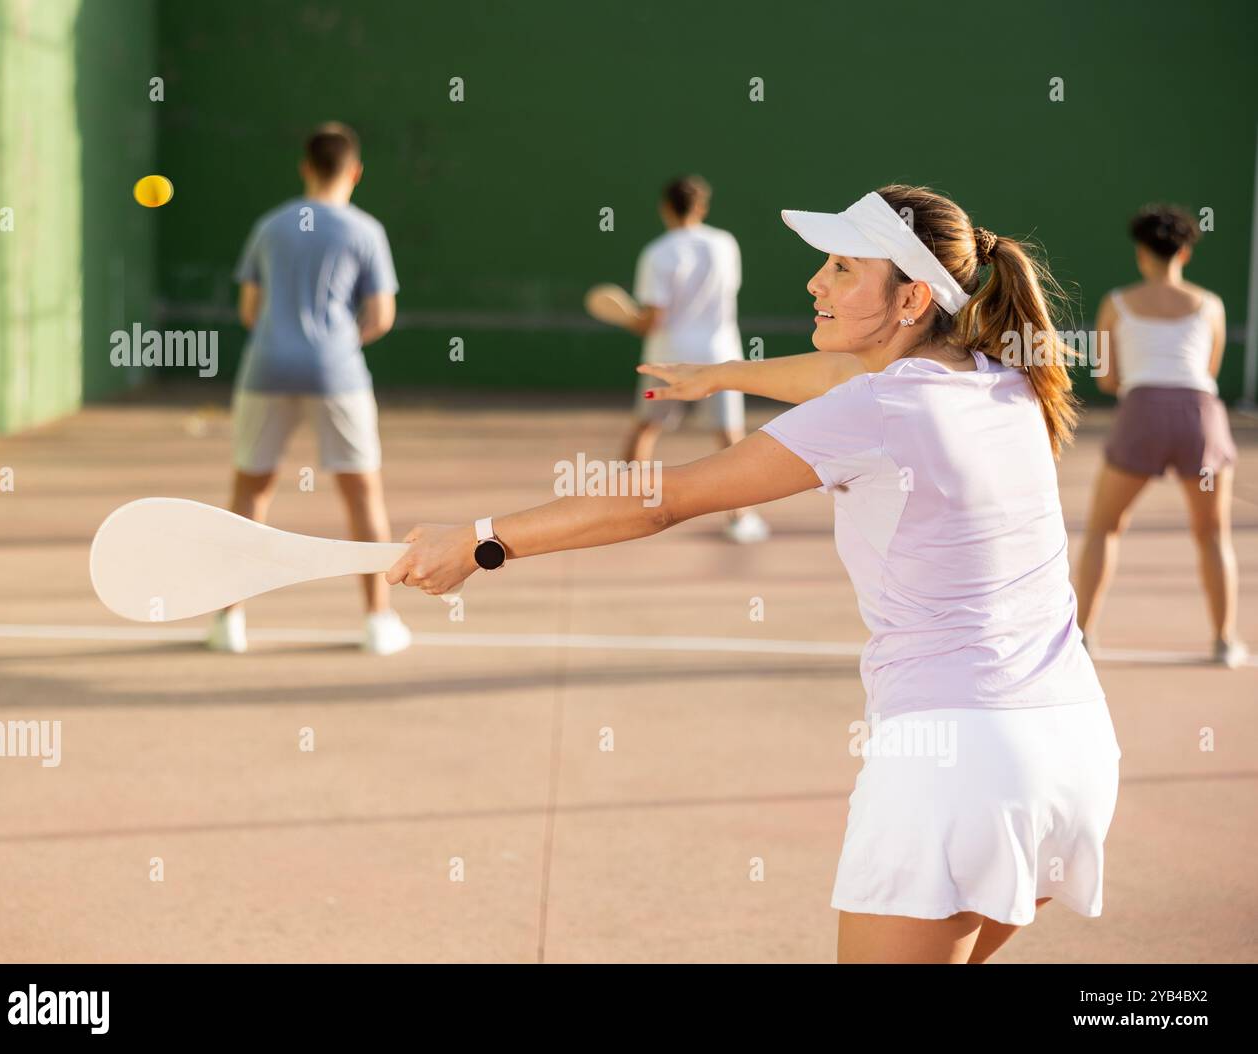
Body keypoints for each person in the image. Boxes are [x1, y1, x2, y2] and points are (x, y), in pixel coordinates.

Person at [386, 185, 1122, 964]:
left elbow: (660, 501)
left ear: (909, 298)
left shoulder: (876, 410)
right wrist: (721, 376)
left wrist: (479, 541)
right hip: (1074, 750)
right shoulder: (1002, 380)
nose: (816, 283)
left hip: (956, 768)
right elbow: (835, 382)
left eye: (842, 267)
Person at [209, 122, 410, 655]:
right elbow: (382, 316)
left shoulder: (270, 226)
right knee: (362, 493)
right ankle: (377, 622)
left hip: (265, 370)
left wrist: (285, 339)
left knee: (250, 491)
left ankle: (228, 623)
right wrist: (340, 343)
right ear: (355, 172)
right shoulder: (365, 230)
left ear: (304, 166)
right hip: (336, 373)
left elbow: (249, 311)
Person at [1075, 205, 1245, 667]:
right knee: (1213, 536)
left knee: (1104, 529)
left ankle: (1082, 638)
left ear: (1141, 255)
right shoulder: (1212, 304)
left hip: (1141, 412)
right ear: (1185, 253)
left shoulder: (1116, 302)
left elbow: (1107, 380)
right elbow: (1208, 371)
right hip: (1200, 416)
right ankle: (1225, 642)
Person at [623, 175, 769, 544]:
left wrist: (631, 320)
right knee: (730, 439)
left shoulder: (657, 253)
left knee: (645, 428)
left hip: (666, 360)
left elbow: (652, 319)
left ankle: (626, 509)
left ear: (666, 208)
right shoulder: (726, 244)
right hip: (719, 358)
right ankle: (741, 517)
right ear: (701, 207)